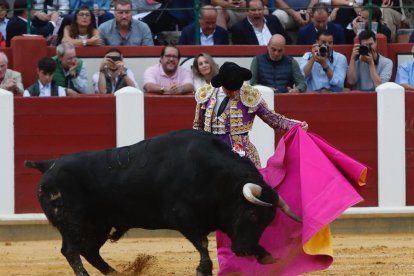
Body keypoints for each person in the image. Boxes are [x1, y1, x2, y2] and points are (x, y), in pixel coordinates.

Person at [193, 61, 308, 168]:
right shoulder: (206, 94)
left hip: (239, 150)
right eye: (230, 89)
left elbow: (274, 120)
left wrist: (296, 125)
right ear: (221, 84)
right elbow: (198, 126)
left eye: (236, 89)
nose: (234, 93)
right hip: (211, 149)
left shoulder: (249, 95)